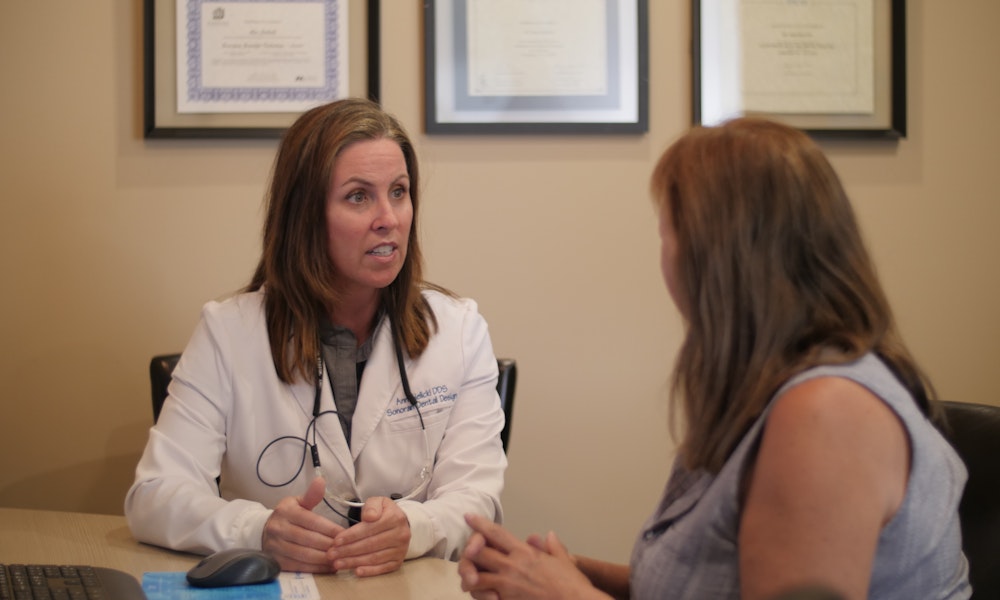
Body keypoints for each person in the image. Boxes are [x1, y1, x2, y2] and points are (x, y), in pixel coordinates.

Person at [457, 118, 970, 599]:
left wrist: (568, 594)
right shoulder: (767, 389)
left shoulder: (827, 414)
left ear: (716, 256)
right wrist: (562, 572)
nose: (662, 253)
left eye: (667, 230)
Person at [125, 98, 507, 577]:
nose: (389, 217)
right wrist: (256, 530)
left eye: (399, 191)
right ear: (305, 215)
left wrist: (416, 527)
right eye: (358, 196)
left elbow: (479, 503)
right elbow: (153, 496)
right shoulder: (230, 333)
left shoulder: (459, 332)